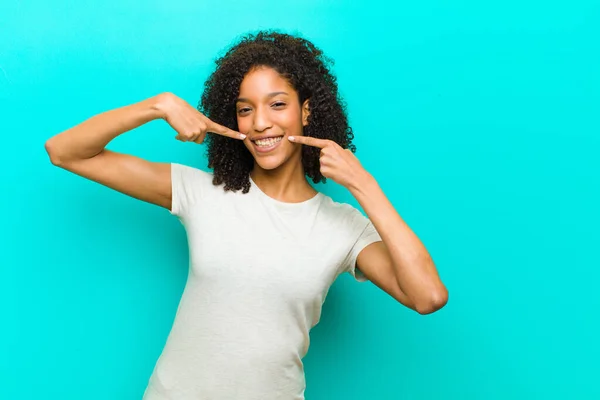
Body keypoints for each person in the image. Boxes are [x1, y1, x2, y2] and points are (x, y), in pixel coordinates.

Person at [45, 30, 448, 400]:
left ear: (307, 112)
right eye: (244, 109)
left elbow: (427, 296)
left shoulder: (342, 226)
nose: (260, 123)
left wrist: (364, 185)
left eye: (277, 104)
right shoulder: (202, 192)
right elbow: (64, 151)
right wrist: (157, 106)